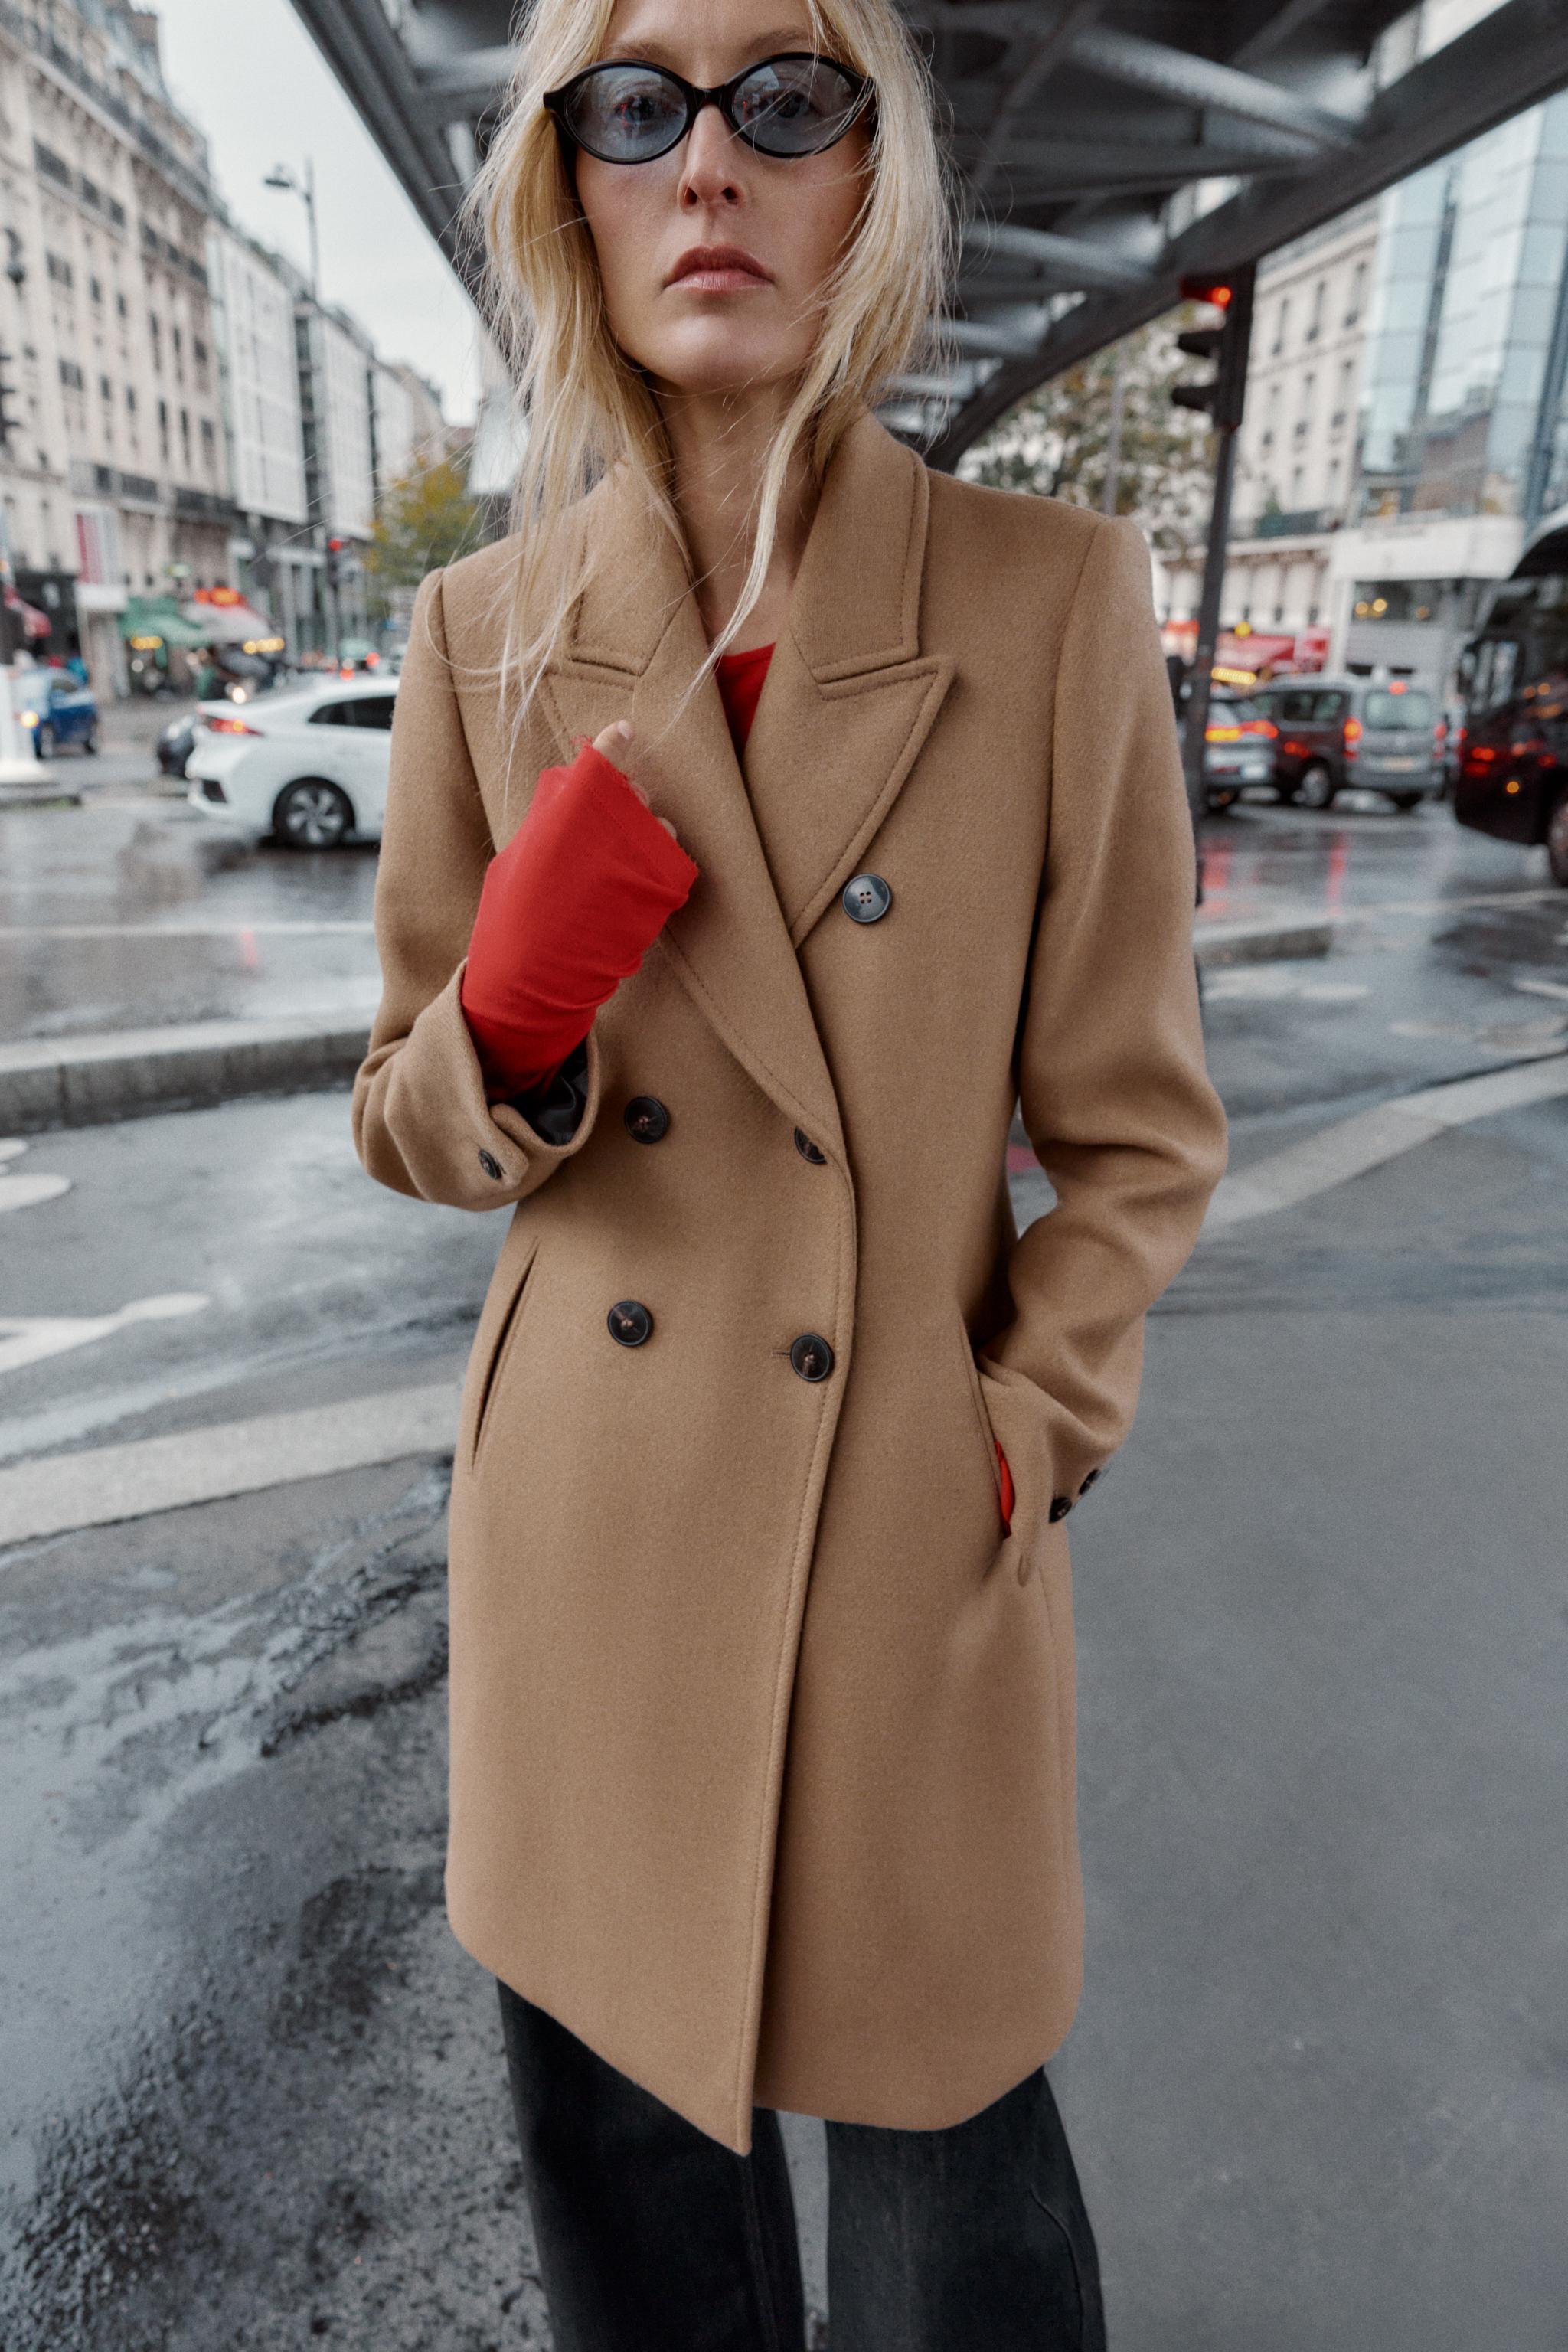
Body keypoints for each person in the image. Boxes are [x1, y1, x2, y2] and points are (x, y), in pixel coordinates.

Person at [352, 2, 1228, 2343]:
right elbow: (406, 1121)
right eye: (638, 108)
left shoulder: (1050, 599)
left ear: (870, 177)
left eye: (788, 97)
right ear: (571, 187)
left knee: (957, 2215)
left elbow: (1139, 1135)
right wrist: (506, 1019)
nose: (710, 165)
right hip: (590, 1534)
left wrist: (1017, 1437)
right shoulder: (483, 634)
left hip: (900, 1521)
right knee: (632, 2198)